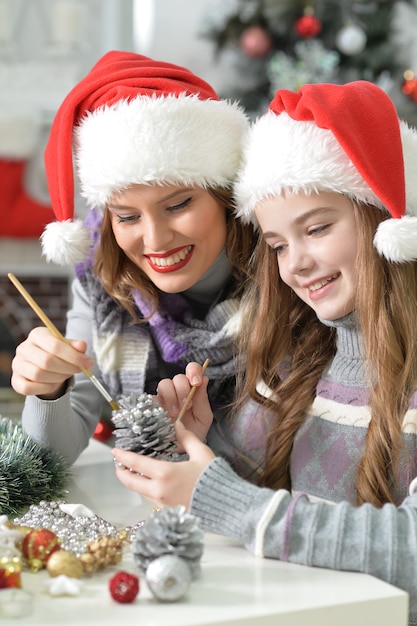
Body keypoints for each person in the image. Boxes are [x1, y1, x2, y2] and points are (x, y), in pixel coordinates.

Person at [112, 81, 417, 624]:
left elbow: (409, 547)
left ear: (387, 221)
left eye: (317, 228)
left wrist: (221, 498)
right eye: (276, 244)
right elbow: (236, 486)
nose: (294, 264)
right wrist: (196, 443)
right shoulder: (296, 363)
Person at [10, 50, 254, 465]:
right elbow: (48, 460)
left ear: (224, 194)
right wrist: (49, 390)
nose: (155, 240)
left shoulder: (286, 264)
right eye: (127, 216)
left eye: (178, 205)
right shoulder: (102, 272)